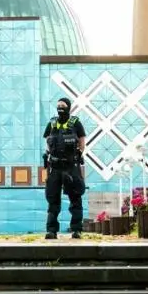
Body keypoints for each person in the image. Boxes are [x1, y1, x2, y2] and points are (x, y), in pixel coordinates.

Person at [42, 97, 87, 239]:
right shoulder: (52, 123)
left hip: (70, 166)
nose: (60, 107)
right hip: (55, 166)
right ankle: (51, 230)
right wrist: (47, 154)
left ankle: (76, 229)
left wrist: (78, 154)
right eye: (58, 105)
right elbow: (47, 140)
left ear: (69, 107)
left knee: (75, 197)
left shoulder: (76, 123)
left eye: (63, 105)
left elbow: (82, 141)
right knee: (53, 199)